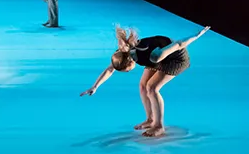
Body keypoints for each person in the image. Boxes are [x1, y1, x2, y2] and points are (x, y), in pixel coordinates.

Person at [80, 25, 211, 137]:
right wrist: (95, 86)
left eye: (126, 71)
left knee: (152, 88)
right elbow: (110, 69)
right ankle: (150, 119)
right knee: (143, 86)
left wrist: (198, 34)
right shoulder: (123, 52)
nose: (127, 73)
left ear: (131, 62)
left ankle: (159, 126)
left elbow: (180, 44)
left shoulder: (153, 56)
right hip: (156, 56)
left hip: (175, 58)